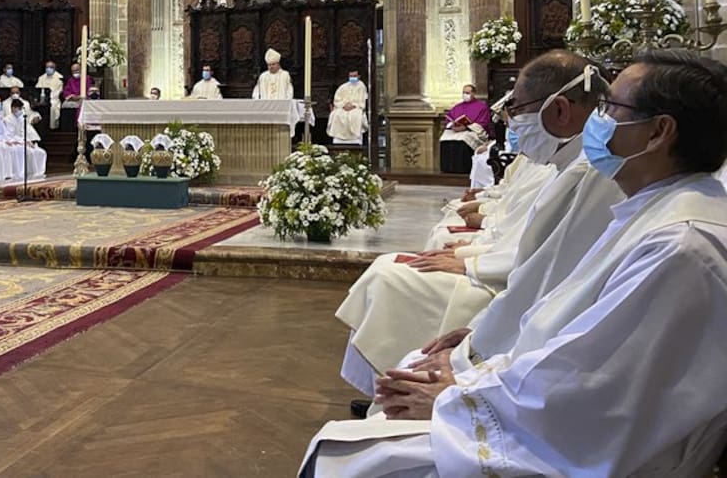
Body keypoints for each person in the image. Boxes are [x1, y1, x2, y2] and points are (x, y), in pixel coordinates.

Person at [303, 49, 727, 477]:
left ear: (659, 132)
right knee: (362, 439)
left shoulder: (680, 247)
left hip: (583, 453)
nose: (597, 119)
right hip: (554, 422)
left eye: (611, 107)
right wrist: (475, 361)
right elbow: (572, 323)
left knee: (348, 460)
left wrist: (459, 395)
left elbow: (589, 389)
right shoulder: (658, 210)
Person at [336, 51, 622, 396]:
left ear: (560, 110)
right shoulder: (568, 162)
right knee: (390, 269)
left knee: (389, 275)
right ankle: (385, 387)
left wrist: (475, 331)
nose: (511, 122)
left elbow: (544, 277)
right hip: (505, 288)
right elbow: (532, 246)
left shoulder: (588, 171)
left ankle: (392, 389)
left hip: (516, 326)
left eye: (516, 111)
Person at [439, 84, 492, 149]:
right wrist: (452, 125)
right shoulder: (458, 107)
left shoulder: (482, 107)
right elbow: (449, 119)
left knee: (464, 138)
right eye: (463, 93)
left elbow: (484, 123)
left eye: (467, 93)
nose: (465, 95)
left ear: (473, 93)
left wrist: (467, 127)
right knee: (444, 138)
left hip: (471, 131)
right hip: (456, 130)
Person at [7, 98, 47, 180]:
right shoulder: (8, 120)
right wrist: (23, 142)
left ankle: (38, 172)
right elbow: (10, 135)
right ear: (13, 108)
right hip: (15, 142)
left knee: (41, 152)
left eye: (21, 108)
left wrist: (28, 141)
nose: (20, 111)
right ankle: (26, 172)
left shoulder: (21, 119)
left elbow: (24, 132)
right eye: (19, 108)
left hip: (23, 141)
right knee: (29, 152)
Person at [327, 70, 368, 144]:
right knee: (336, 114)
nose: (352, 78)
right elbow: (337, 100)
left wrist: (353, 105)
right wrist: (343, 105)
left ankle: (354, 139)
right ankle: (339, 139)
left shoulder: (361, 87)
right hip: (343, 107)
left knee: (355, 115)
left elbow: (362, 101)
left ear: (358, 76)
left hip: (355, 108)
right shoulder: (343, 86)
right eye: (351, 76)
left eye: (354, 76)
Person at [35, 61, 64, 129]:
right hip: (42, 98)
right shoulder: (41, 78)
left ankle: (52, 127)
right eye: (47, 67)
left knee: (53, 106)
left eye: (51, 67)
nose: (48, 69)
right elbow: (38, 88)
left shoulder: (59, 77)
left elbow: (59, 91)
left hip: (54, 99)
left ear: (54, 68)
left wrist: (49, 98)